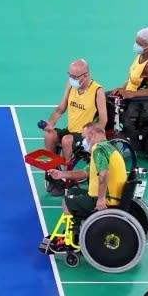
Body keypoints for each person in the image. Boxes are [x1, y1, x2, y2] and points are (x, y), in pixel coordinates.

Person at [42, 59, 107, 194]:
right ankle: (53, 175)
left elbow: (103, 119)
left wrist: (92, 137)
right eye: (69, 75)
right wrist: (51, 123)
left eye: (75, 77)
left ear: (86, 75)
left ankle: (67, 180)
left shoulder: (97, 91)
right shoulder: (71, 86)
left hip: (84, 134)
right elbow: (61, 108)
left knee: (66, 140)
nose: (71, 79)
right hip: (70, 130)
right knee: (50, 135)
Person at [46, 123, 125, 217]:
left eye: (84, 137)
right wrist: (61, 174)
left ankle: (73, 230)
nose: (83, 142)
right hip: (109, 196)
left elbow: (104, 174)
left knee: (66, 202)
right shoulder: (107, 147)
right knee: (73, 191)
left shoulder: (98, 149)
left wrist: (101, 199)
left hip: (107, 199)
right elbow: (84, 172)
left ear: (91, 135)